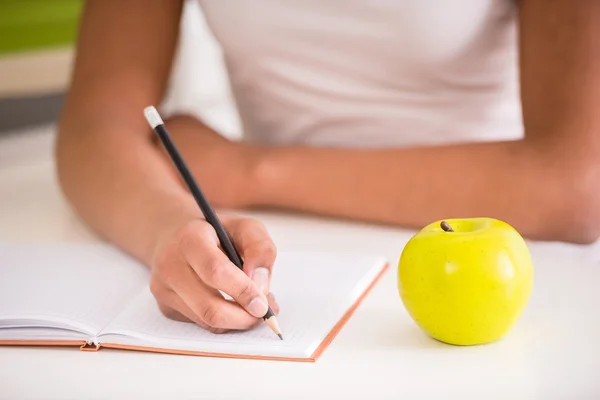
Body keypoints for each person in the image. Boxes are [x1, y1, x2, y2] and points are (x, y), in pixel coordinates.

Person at [55, 1, 600, 333]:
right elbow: (94, 130)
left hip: (514, 246)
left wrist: (251, 171)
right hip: (275, 228)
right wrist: (168, 229)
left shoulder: (244, 174)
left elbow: (578, 182)